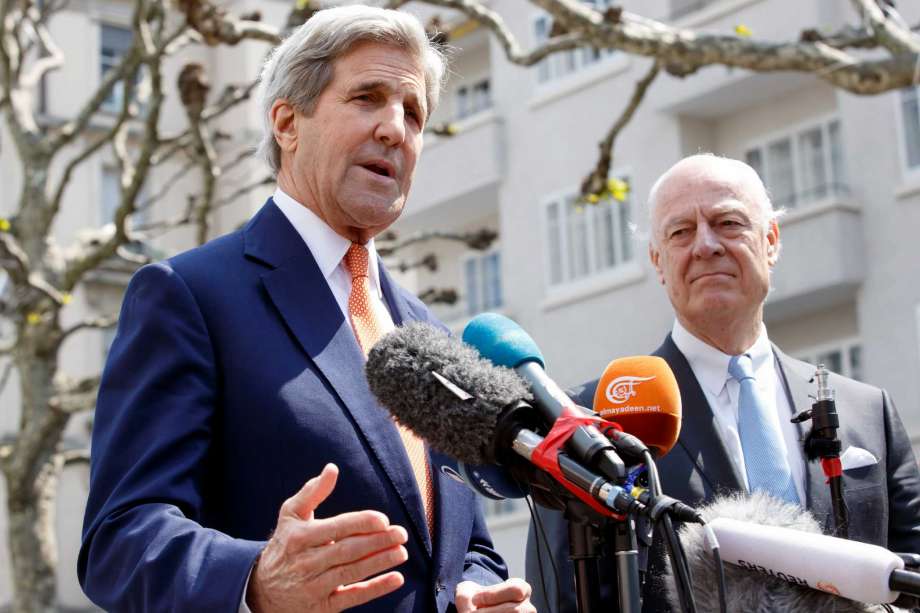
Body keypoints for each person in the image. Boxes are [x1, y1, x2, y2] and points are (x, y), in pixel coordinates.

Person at [79, 7, 535, 612]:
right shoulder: (189, 296)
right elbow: (120, 539)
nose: (395, 129)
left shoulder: (423, 329)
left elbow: (463, 545)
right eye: (368, 98)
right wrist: (256, 581)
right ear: (288, 123)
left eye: (414, 112)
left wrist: (478, 588)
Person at [525, 154, 920, 612]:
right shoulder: (590, 420)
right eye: (680, 232)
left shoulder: (866, 412)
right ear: (658, 261)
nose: (706, 245)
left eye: (728, 222)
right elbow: (565, 597)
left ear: (770, 240)